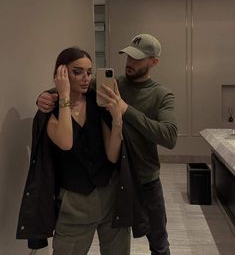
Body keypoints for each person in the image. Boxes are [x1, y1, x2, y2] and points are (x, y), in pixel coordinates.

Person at [36, 34, 178, 255]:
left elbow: (169, 136)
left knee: (158, 241)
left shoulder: (161, 94)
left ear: (154, 62)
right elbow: (75, 85)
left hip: (144, 177)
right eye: (128, 56)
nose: (130, 62)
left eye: (138, 58)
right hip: (114, 177)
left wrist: (124, 109)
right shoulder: (111, 83)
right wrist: (44, 96)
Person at [16, 47, 130, 255]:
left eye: (89, 72)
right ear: (61, 74)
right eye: (77, 72)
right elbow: (66, 142)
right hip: (74, 204)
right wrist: (63, 95)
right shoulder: (49, 112)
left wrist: (117, 120)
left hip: (110, 196)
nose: (85, 78)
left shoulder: (97, 104)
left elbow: (113, 155)